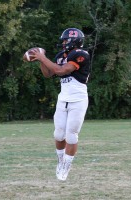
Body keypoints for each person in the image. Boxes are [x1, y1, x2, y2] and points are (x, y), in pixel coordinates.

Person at [31, 28, 90, 181]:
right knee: (58, 133)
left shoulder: (81, 54)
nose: (63, 43)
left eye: (65, 40)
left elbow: (61, 70)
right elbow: (48, 74)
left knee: (71, 135)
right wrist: (40, 60)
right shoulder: (60, 56)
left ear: (73, 40)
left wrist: (42, 57)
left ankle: (67, 166)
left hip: (78, 100)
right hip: (63, 99)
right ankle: (60, 160)